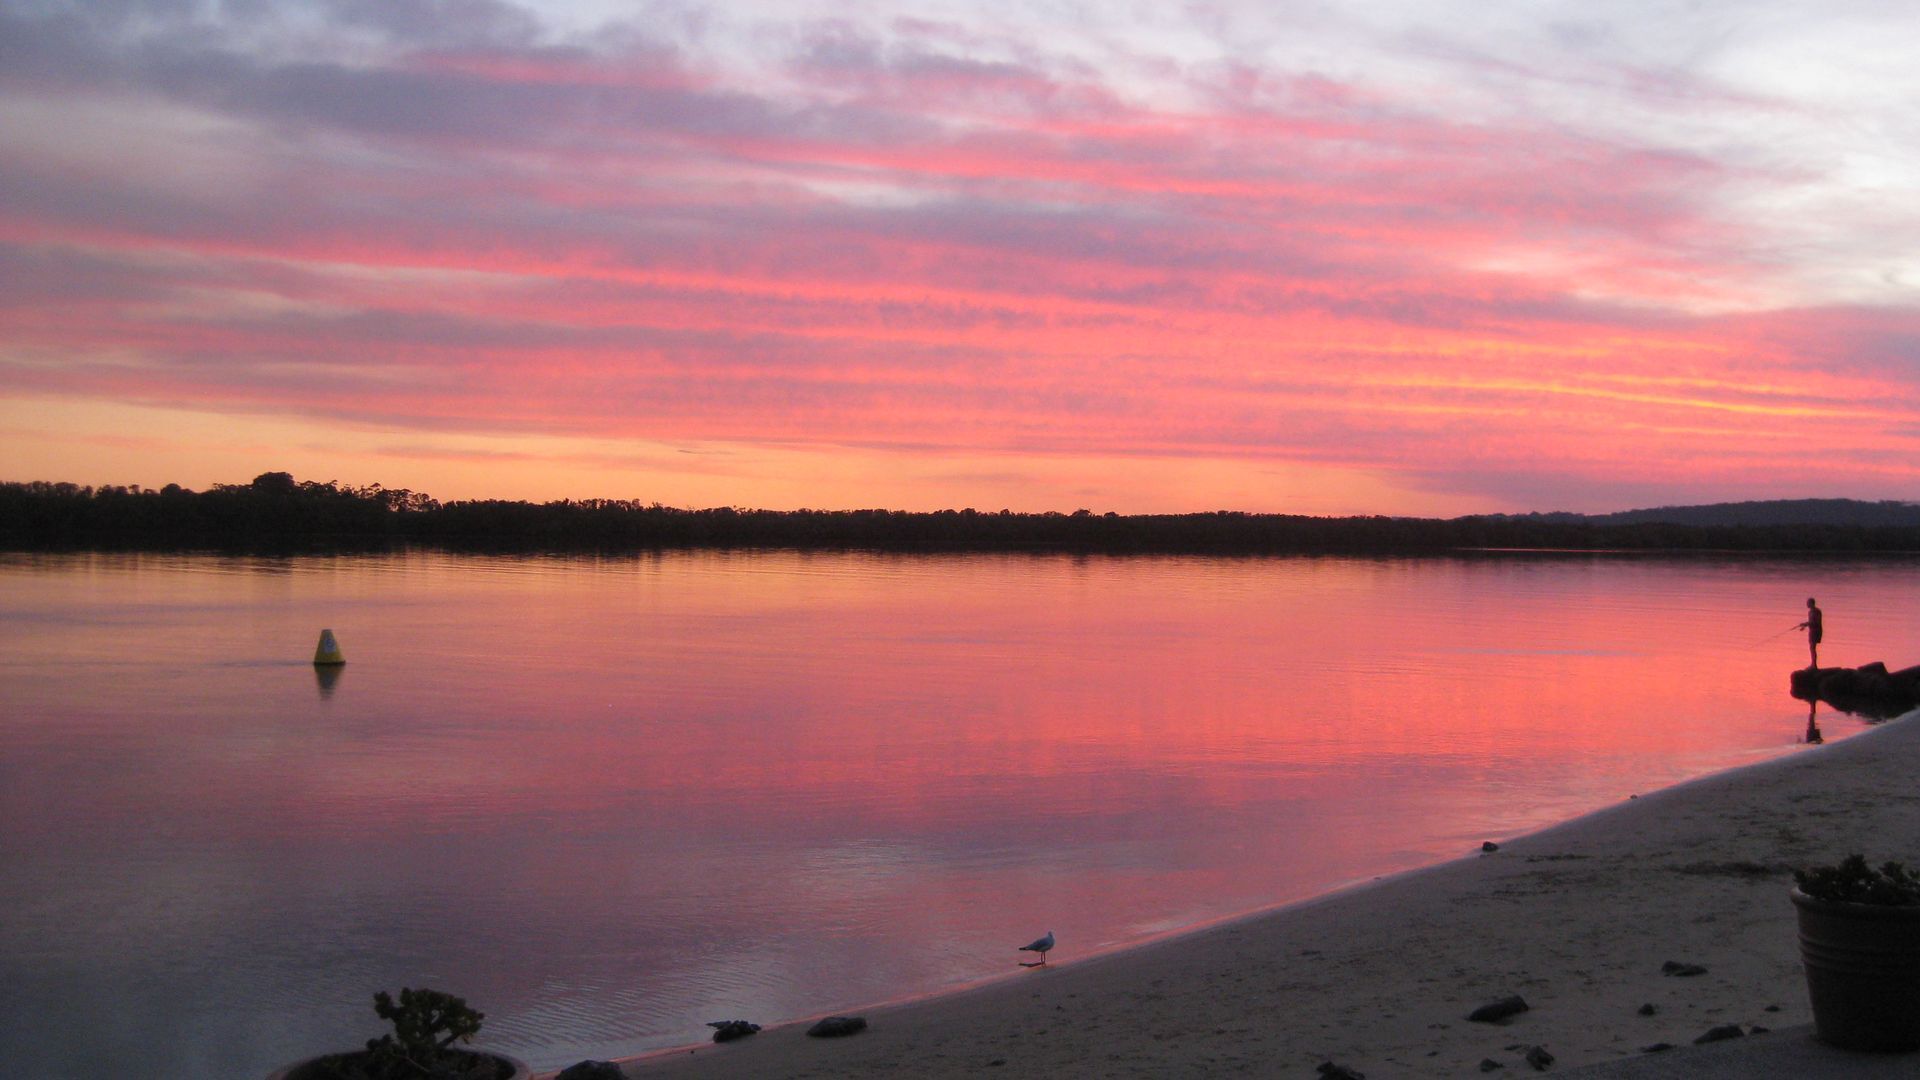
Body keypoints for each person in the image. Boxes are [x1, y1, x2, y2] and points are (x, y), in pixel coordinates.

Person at [1796, 597, 1823, 670]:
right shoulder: (1810, 612)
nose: (1807, 604)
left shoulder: (1817, 611)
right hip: (1812, 631)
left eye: (1808, 603)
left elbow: (1815, 623)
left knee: (1812, 648)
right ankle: (1813, 664)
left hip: (1816, 631)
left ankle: (1814, 665)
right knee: (1812, 648)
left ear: (1811, 603)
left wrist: (1805, 624)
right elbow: (1811, 622)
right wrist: (1804, 626)